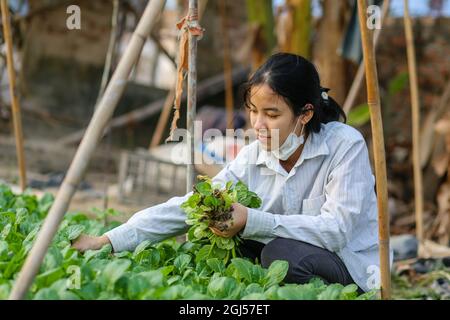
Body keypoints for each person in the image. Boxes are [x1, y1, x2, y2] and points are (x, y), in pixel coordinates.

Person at [73, 53, 392, 293]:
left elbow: (336, 230)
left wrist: (252, 220)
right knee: (217, 225)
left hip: (353, 267)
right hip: (291, 257)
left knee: (280, 252)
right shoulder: (255, 156)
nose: (257, 125)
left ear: (305, 113)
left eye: (272, 114)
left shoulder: (344, 145)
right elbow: (189, 207)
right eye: (253, 112)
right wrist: (108, 241)